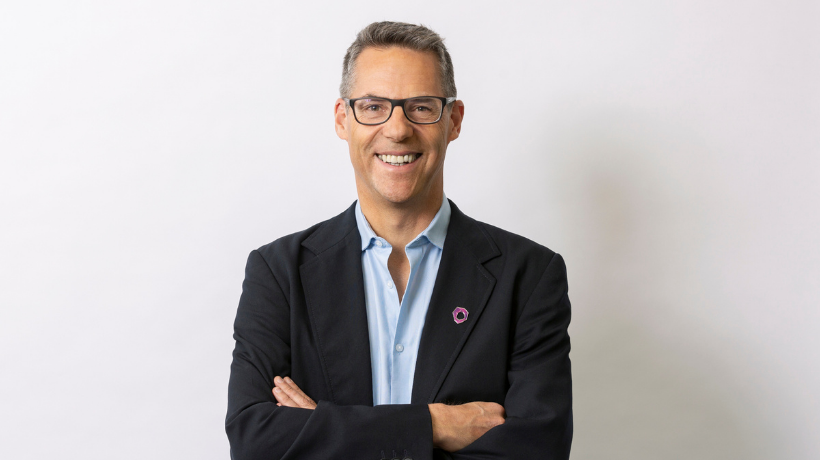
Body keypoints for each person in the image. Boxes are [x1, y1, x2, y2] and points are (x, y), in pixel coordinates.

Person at [226, 21, 572, 460]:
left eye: (421, 107)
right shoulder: (278, 272)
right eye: (373, 106)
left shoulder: (528, 275)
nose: (397, 129)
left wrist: (325, 430)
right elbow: (255, 442)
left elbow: (538, 450)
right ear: (342, 119)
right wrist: (434, 425)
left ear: (454, 120)